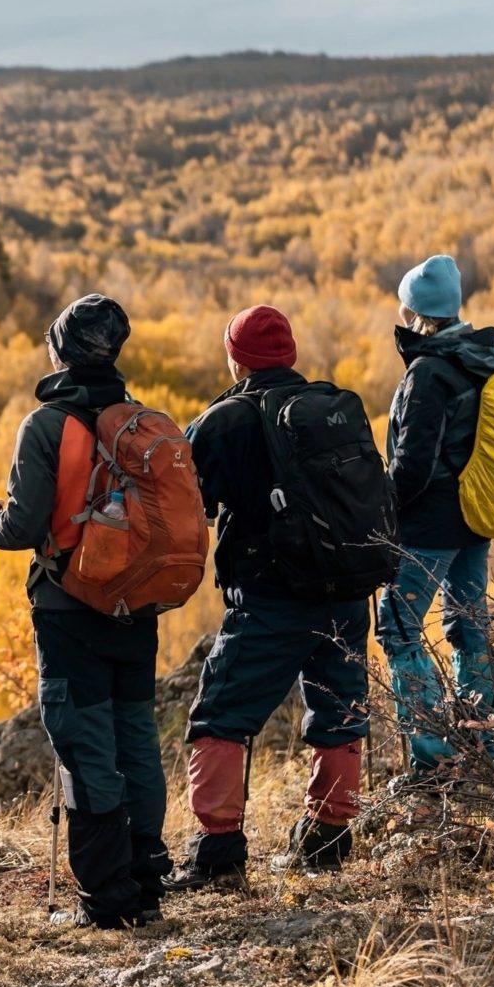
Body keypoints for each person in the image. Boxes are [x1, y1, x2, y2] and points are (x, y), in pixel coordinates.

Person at [0, 295, 169, 929]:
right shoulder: (142, 422)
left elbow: (23, 526)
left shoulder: (47, 425)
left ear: (60, 350)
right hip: (136, 604)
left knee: (84, 742)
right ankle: (146, 878)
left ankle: (108, 900)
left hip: (69, 605)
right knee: (136, 736)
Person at [162, 306, 372, 892]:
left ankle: (218, 851)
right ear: (291, 354)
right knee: (339, 710)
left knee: (220, 716)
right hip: (349, 591)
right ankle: (328, 839)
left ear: (235, 357)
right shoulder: (334, 408)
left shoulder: (225, 420)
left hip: (272, 596)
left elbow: (182, 504)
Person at [379, 255, 494, 786]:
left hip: (430, 526)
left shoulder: (429, 372)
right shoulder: (482, 359)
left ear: (417, 312)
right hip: (474, 520)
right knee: (468, 628)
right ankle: (482, 746)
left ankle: (432, 759)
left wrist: (381, 509)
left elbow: (412, 465)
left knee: (400, 629)